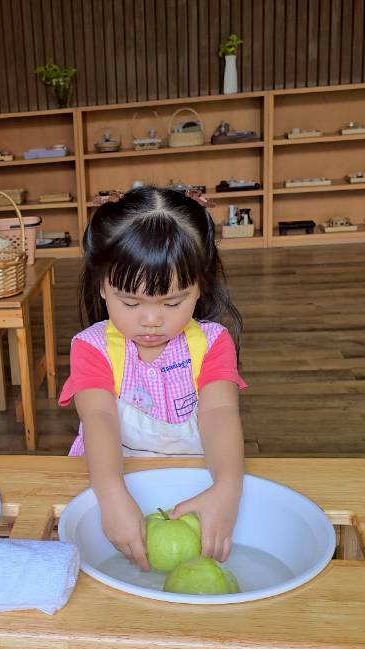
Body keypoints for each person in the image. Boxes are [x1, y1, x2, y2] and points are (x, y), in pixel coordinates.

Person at [59, 186, 248, 573]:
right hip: (111, 478)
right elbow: (99, 418)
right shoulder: (92, 348)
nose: (151, 320)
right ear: (101, 285)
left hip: (191, 482)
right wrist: (111, 495)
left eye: (172, 302)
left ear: (201, 285)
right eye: (130, 302)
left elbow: (220, 412)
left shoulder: (212, 343)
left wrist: (227, 487)